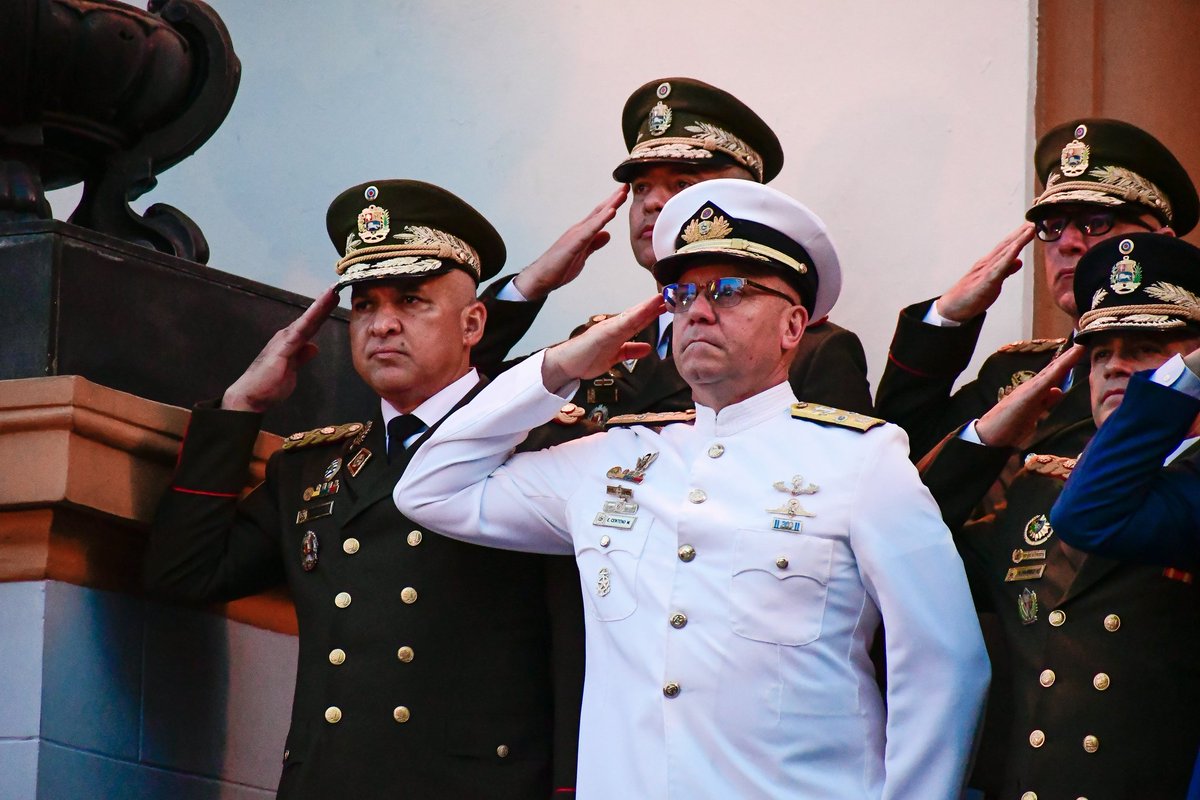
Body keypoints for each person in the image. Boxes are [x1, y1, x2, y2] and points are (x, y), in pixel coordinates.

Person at [395, 178, 989, 799]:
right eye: (681, 295)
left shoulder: (862, 460)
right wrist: (561, 366)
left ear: (793, 325)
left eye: (730, 291)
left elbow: (944, 663)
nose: (698, 312)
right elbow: (429, 490)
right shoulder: (612, 459)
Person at [145, 180, 586, 799]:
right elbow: (185, 574)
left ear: (472, 323)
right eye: (366, 305)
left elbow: (580, 649)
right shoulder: (313, 469)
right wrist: (239, 409)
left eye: (411, 301)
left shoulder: (542, 448)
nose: (383, 325)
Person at [922, 233, 1200, 799]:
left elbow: (1097, 512)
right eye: (1099, 355)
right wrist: (984, 440)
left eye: (1145, 348)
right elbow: (909, 552)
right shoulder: (1037, 493)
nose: (1116, 366)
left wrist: (1170, 395)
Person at [486, 77, 873, 422]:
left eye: (682, 184)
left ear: (737, 201)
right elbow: (463, 405)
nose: (652, 203)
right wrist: (531, 285)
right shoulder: (601, 338)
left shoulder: (809, 349)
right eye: (640, 188)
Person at [876, 118, 1198, 461]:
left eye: (1096, 223)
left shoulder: (1181, 367)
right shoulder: (1012, 371)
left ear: (1160, 241)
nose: (1068, 243)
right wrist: (947, 317)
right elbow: (898, 458)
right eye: (1052, 226)